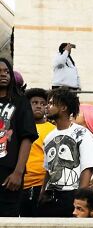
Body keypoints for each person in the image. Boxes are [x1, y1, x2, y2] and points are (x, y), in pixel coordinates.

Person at [37, 88, 93, 217]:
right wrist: (43, 192)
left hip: (72, 194)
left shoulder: (82, 133)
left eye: (51, 103)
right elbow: (48, 169)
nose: (47, 107)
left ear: (63, 107)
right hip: (50, 195)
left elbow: (87, 168)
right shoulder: (49, 137)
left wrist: (80, 199)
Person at [0, 58, 38, 217]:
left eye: (6, 71)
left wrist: (18, 172)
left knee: (7, 224)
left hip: (9, 176)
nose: (3, 74)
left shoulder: (20, 102)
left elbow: (27, 138)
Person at [20, 87, 55, 216]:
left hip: (42, 184)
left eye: (43, 103)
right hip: (20, 183)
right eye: (34, 103)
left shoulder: (53, 129)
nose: (39, 106)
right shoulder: (20, 126)